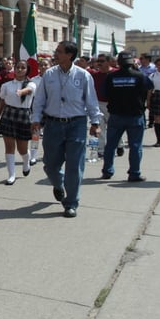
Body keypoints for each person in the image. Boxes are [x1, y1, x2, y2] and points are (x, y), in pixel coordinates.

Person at [31, 41, 101, 218]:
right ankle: (58, 183)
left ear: (70, 55)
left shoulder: (83, 75)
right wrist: (36, 119)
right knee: (50, 165)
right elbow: (39, 99)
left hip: (76, 124)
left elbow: (91, 101)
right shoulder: (49, 75)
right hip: (53, 124)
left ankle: (71, 203)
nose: (56, 54)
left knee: (74, 165)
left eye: (60, 51)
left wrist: (95, 123)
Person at [100, 52, 152, 182]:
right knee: (135, 146)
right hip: (135, 115)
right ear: (132, 62)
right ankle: (134, 173)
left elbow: (104, 94)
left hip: (116, 115)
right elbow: (150, 87)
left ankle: (107, 171)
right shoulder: (140, 75)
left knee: (111, 145)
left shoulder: (111, 77)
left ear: (118, 63)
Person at [0, 60, 36, 185]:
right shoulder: (6, 85)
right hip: (9, 115)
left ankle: (26, 161)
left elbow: (28, 90)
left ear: (27, 70)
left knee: (22, 149)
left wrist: (21, 92)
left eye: (23, 68)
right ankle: (11, 175)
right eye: (18, 67)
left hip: (23, 115)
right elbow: (2, 102)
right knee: (9, 146)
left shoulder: (31, 84)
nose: (19, 70)